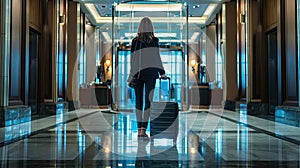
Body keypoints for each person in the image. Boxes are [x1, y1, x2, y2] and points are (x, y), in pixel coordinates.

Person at [128, 17, 166, 140]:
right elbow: (156, 57)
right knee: (148, 102)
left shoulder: (135, 41)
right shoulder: (154, 40)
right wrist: (162, 73)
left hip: (138, 74)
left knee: (138, 102)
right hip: (151, 74)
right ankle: (143, 129)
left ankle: (139, 130)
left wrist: (131, 75)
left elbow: (132, 60)